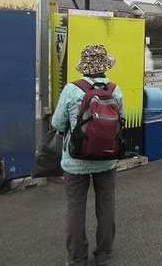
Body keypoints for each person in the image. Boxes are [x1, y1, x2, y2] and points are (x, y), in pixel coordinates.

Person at [52, 44, 123, 266]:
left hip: (75, 161)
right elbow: (119, 122)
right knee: (106, 206)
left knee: (75, 208)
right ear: (105, 65)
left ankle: (77, 258)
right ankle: (103, 254)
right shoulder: (115, 90)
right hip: (107, 159)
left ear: (84, 66)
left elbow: (57, 123)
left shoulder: (72, 90)